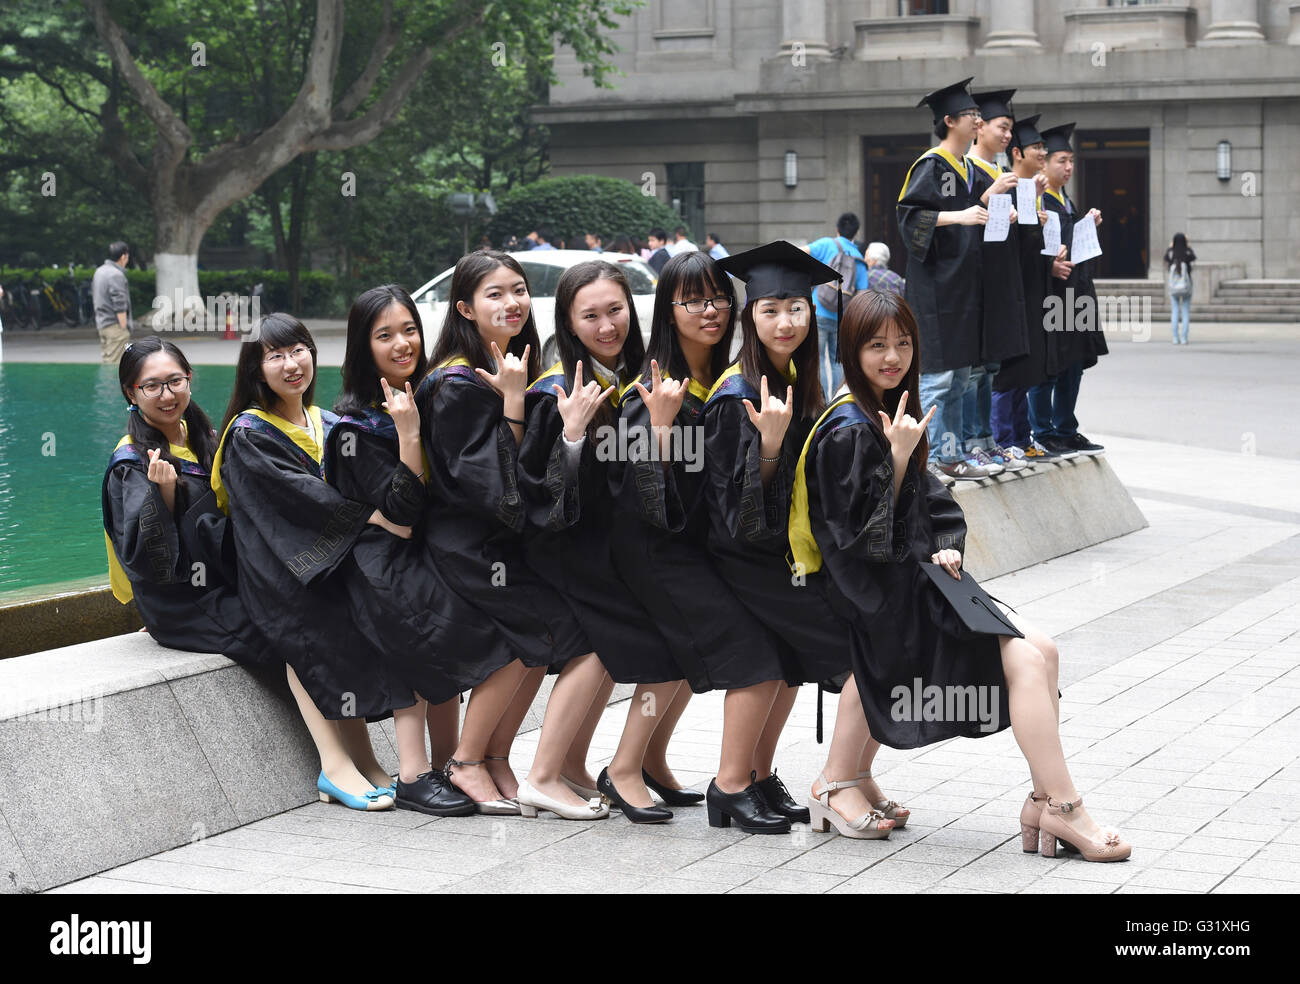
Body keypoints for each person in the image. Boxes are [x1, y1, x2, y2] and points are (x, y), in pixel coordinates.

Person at [798, 288, 1130, 861]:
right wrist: (898, 461)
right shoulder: (847, 429)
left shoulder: (893, 408)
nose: (892, 356)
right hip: (871, 596)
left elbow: (938, 506)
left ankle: (1042, 801)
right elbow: (863, 544)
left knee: (1043, 648)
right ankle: (1063, 806)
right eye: (875, 345)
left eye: (902, 343)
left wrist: (948, 545)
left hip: (919, 581)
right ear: (851, 350)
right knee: (1025, 658)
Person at [703, 240, 904, 838]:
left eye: (794, 308)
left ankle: (759, 776)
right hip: (744, 556)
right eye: (770, 311)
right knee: (851, 654)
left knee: (790, 663)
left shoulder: (798, 379)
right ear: (750, 318)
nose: (785, 322)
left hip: (783, 554)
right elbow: (728, 508)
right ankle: (738, 784)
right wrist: (767, 444)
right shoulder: (736, 396)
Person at [416, 250, 608, 821]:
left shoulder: (508, 362)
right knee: (536, 630)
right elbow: (485, 482)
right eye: (494, 294)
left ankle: (497, 757)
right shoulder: (453, 381)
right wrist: (514, 402)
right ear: (465, 308)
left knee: (552, 632)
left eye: (519, 290)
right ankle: (465, 760)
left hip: (497, 539)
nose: (512, 303)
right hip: (465, 539)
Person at [325, 284, 515, 817]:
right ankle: (413, 774)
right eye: (384, 335)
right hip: (376, 560)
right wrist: (409, 435)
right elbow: (400, 512)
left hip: (417, 548)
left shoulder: (428, 391)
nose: (402, 343)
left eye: (409, 330)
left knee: (469, 625)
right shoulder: (353, 425)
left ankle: (449, 761)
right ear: (363, 347)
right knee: (423, 624)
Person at [608, 250, 780, 822]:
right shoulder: (652, 384)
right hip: (655, 545)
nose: (711, 310)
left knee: (683, 656)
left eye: (719, 297)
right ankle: (622, 769)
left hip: (696, 543)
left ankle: (651, 759)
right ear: (668, 309)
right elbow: (635, 487)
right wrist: (659, 428)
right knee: (732, 649)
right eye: (693, 300)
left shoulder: (721, 376)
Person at [214, 314, 410, 811]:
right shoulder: (248, 432)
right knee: (308, 624)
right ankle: (333, 764)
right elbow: (295, 498)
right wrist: (373, 518)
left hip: (320, 555)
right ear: (256, 370)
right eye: (275, 355)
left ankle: (363, 757)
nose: (291, 363)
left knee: (355, 611)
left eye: (298, 350)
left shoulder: (322, 421)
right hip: (274, 566)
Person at [519, 260, 690, 824]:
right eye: (589, 315)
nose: (607, 325)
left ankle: (570, 765)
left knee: (626, 641)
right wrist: (570, 434)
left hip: (603, 547)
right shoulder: (558, 389)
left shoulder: (631, 379)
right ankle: (542, 776)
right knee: (613, 641)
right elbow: (538, 493)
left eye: (615, 310)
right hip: (563, 548)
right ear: (568, 323)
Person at [104, 336, 267, 667]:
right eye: (152, 386)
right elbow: (143, 560)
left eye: (175, 381)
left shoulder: (204, 437)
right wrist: (163, 497)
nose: (167, 395)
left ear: (188, 378)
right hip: (184, 601)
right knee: (282, 632)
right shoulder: (132, 463)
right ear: (130, 393)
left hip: (230, 579)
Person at [896, 78, 1000, 482]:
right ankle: (936, 457)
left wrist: (988, 203)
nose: (978, 120)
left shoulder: (965, 169)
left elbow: (967, 209)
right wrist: (961, 215)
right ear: (949, 120)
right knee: (940, 379)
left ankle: (952, 455)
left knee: (960, 378)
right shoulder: (931, 164)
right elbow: (909, 217)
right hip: (936, 290)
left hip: (962, 289)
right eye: (972, 115)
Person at [1030, 123, 1107, 458]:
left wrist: (1086, 224)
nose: (1069, 167)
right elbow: (1032, 248)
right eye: (1061, 160)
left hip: (1076, 295)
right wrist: (1048, 267)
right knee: (1049, 365)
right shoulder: (1038, 201)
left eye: (1071, 161)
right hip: (1051, 296)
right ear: (1044, 163)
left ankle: (1066, 429)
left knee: (1072, 364)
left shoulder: (1064, 200)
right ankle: (1043, 431)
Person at [964, 89, 1030, 474]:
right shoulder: (967, 171)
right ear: (979, 128)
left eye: (1009, 129)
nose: (1007, 136)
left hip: (1002, 283)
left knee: (991, 369)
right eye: (1002, 127)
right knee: (972, 373)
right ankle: (973, 442)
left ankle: (988, 441)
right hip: (977, 287)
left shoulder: (999, 173)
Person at [990, 115, 1061, 466]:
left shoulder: (1034, 191)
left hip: (1033, 291)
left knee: (1027, 368)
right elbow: (1010, 246)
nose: (1042, 152)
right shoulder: (1011, 188)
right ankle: (1003, 438)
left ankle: (1022, 435)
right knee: (1009, 369)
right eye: (1038, 148)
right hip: (1010, 292)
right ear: (1018, 152)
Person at [808, 214, 870, 395]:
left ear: (837, 229)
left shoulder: (826, 244)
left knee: (817, 360)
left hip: (818, 309)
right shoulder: (859, 259)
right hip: (842, 318)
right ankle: (835, 400)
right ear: (856, 232)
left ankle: (820, 400)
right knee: (838, 363)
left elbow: (802, 251)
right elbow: (862, 293)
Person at [92, 241, 133, 364]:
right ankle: (108, 384)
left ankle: (106, 383)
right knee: (115, 366)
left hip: (102, 324)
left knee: (107, 362)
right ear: (123, 257)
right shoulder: (116, 275)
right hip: (115, 327)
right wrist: (123, 327)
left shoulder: (99, 272)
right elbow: (119, 303)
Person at [1164, 232, 1196, 344]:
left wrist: (1170, 246)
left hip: (1174, 287)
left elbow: (1166, 258)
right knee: (1185, 312)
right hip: (1186, 286)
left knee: (1175, 311)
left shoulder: (1171, 252)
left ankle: (1175, 337)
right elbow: (1193, 257)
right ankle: (1184, 338)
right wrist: (1188, 245)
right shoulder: (1187, 252)